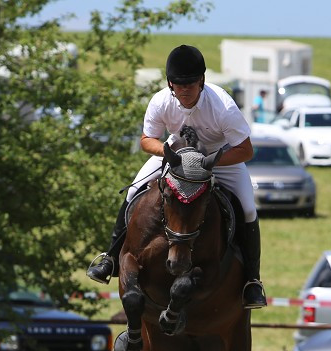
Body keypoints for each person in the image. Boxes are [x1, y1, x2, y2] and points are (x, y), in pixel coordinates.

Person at [86, 45, 266, 309]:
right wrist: (169, 154)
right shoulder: (161, 101)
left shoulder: (223, 106)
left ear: (202, 81)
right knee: (132, 192)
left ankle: (252, 281)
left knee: (248, 208)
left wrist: (210, 162)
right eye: (179, 84)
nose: (185, 90)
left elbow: (245, 149)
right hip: (176, 155)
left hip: (217, 159)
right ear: (170, 83)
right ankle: (110, 258)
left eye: (191, 83)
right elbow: (147, 140)